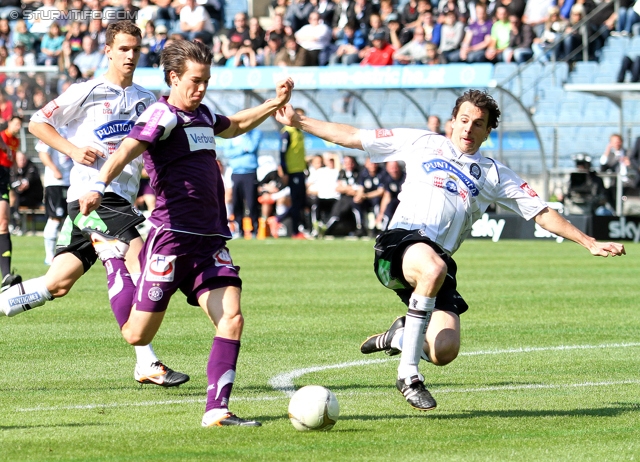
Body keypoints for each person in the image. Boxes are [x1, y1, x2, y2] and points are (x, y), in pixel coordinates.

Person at [274, 89, 626, 411]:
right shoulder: (422, 142)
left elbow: (542, 212)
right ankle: (408, 375)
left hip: (438, 262)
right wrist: (299, 121)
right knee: (431, 269)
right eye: (464, 120)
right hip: (400, 244)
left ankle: (400, 335)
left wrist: (589, 242)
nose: (469, 129)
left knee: (444, 351)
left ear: (488, 132)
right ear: (452, 121)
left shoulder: (493, 174)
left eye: (478, 124)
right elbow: (353, 136)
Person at [78, 40, 294, 427]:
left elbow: (239, 125)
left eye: (206, 81)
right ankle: (113, 258)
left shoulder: (206, 115)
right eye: (195, 81)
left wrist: (274, 103)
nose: (201, 88)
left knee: (232, 317)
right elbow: (128, 148)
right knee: (135, 335)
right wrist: (98, 184)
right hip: (171, 240)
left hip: (210, 241)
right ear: (174, 77)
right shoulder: (162, 114)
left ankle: (217, 409)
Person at [0, 21, 189, 389]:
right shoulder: (86, 90)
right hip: (94, 196)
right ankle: (146, 362)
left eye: (136, 48)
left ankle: (3, 303)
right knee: (138, 262)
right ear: (108, 50)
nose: (131, 55)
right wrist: (71, 150)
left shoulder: (147, 100)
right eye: (123, 49)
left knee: (57, 284)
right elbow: (38, 123)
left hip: (113, 200)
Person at [37, 128, 73, 265]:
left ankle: (67, 255)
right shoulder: (51, 129)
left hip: (71, 182)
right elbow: (43, 153)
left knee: (71, 219)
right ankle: (49, 256)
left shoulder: (70, 129)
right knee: (55, 217)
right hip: (55, 183)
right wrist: (55, 170)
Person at [225, 128, 263, 239]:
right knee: (237, 202)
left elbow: (251, 147)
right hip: (236, 173)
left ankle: (255, 229)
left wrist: (245, 136)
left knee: (251, 202)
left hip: (250, 173)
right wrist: (242, 149)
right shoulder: (232, 133)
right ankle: (239, 229)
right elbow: (227, 152)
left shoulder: (255, 133)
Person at [277, 107, 308, 239]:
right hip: (292, 172)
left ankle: (297, 227)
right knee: (295, 201)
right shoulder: (287, 132)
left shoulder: (300, 133)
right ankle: (294, 230)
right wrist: (284, 172)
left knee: (301, 201)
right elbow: (282, 153)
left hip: (300, 171)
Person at [0, 115, 22, 288]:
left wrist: (16, 173)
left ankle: (6, 275)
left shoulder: (16, 141)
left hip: (4, 177)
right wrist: (5, 147)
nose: (18, 126)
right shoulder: (4, 135)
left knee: (3, 223)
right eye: (16, 123)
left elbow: (12, 159)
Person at [10, 151, 44, 220]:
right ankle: (13, 220)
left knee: (15, 198)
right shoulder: (13, 169)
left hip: (33, 196)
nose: (22, 161)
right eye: (19, 159)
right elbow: (12, 182)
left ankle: (15, 220)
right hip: (20, 196)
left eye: (23, 159)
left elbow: (28, 180)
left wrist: (21, 186)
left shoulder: (32, 167)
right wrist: (18, 187)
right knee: (11, 196)